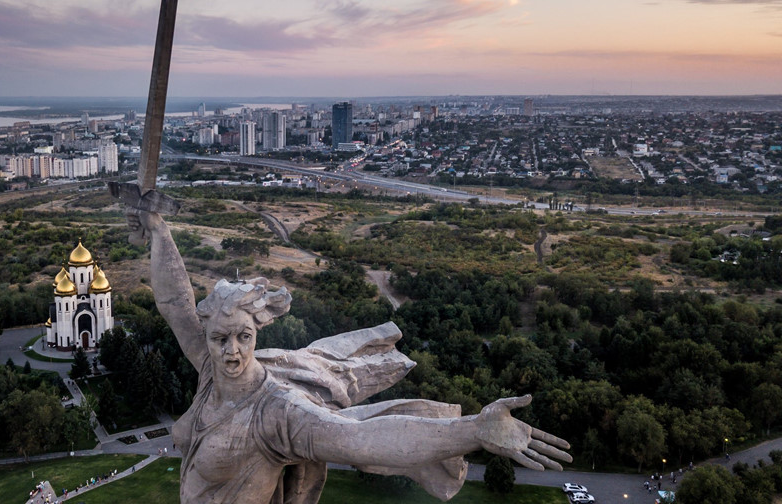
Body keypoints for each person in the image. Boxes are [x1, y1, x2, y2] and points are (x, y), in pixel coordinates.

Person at [128, 211, 572, 504]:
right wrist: (160, 229)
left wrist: (473, 429)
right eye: (220, 338)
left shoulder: (278, 413)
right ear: (207, 338)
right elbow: (174, 303)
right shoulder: (209, 371)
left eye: (243, 336)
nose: (232, 351)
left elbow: (364, 439)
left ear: (257, 331)